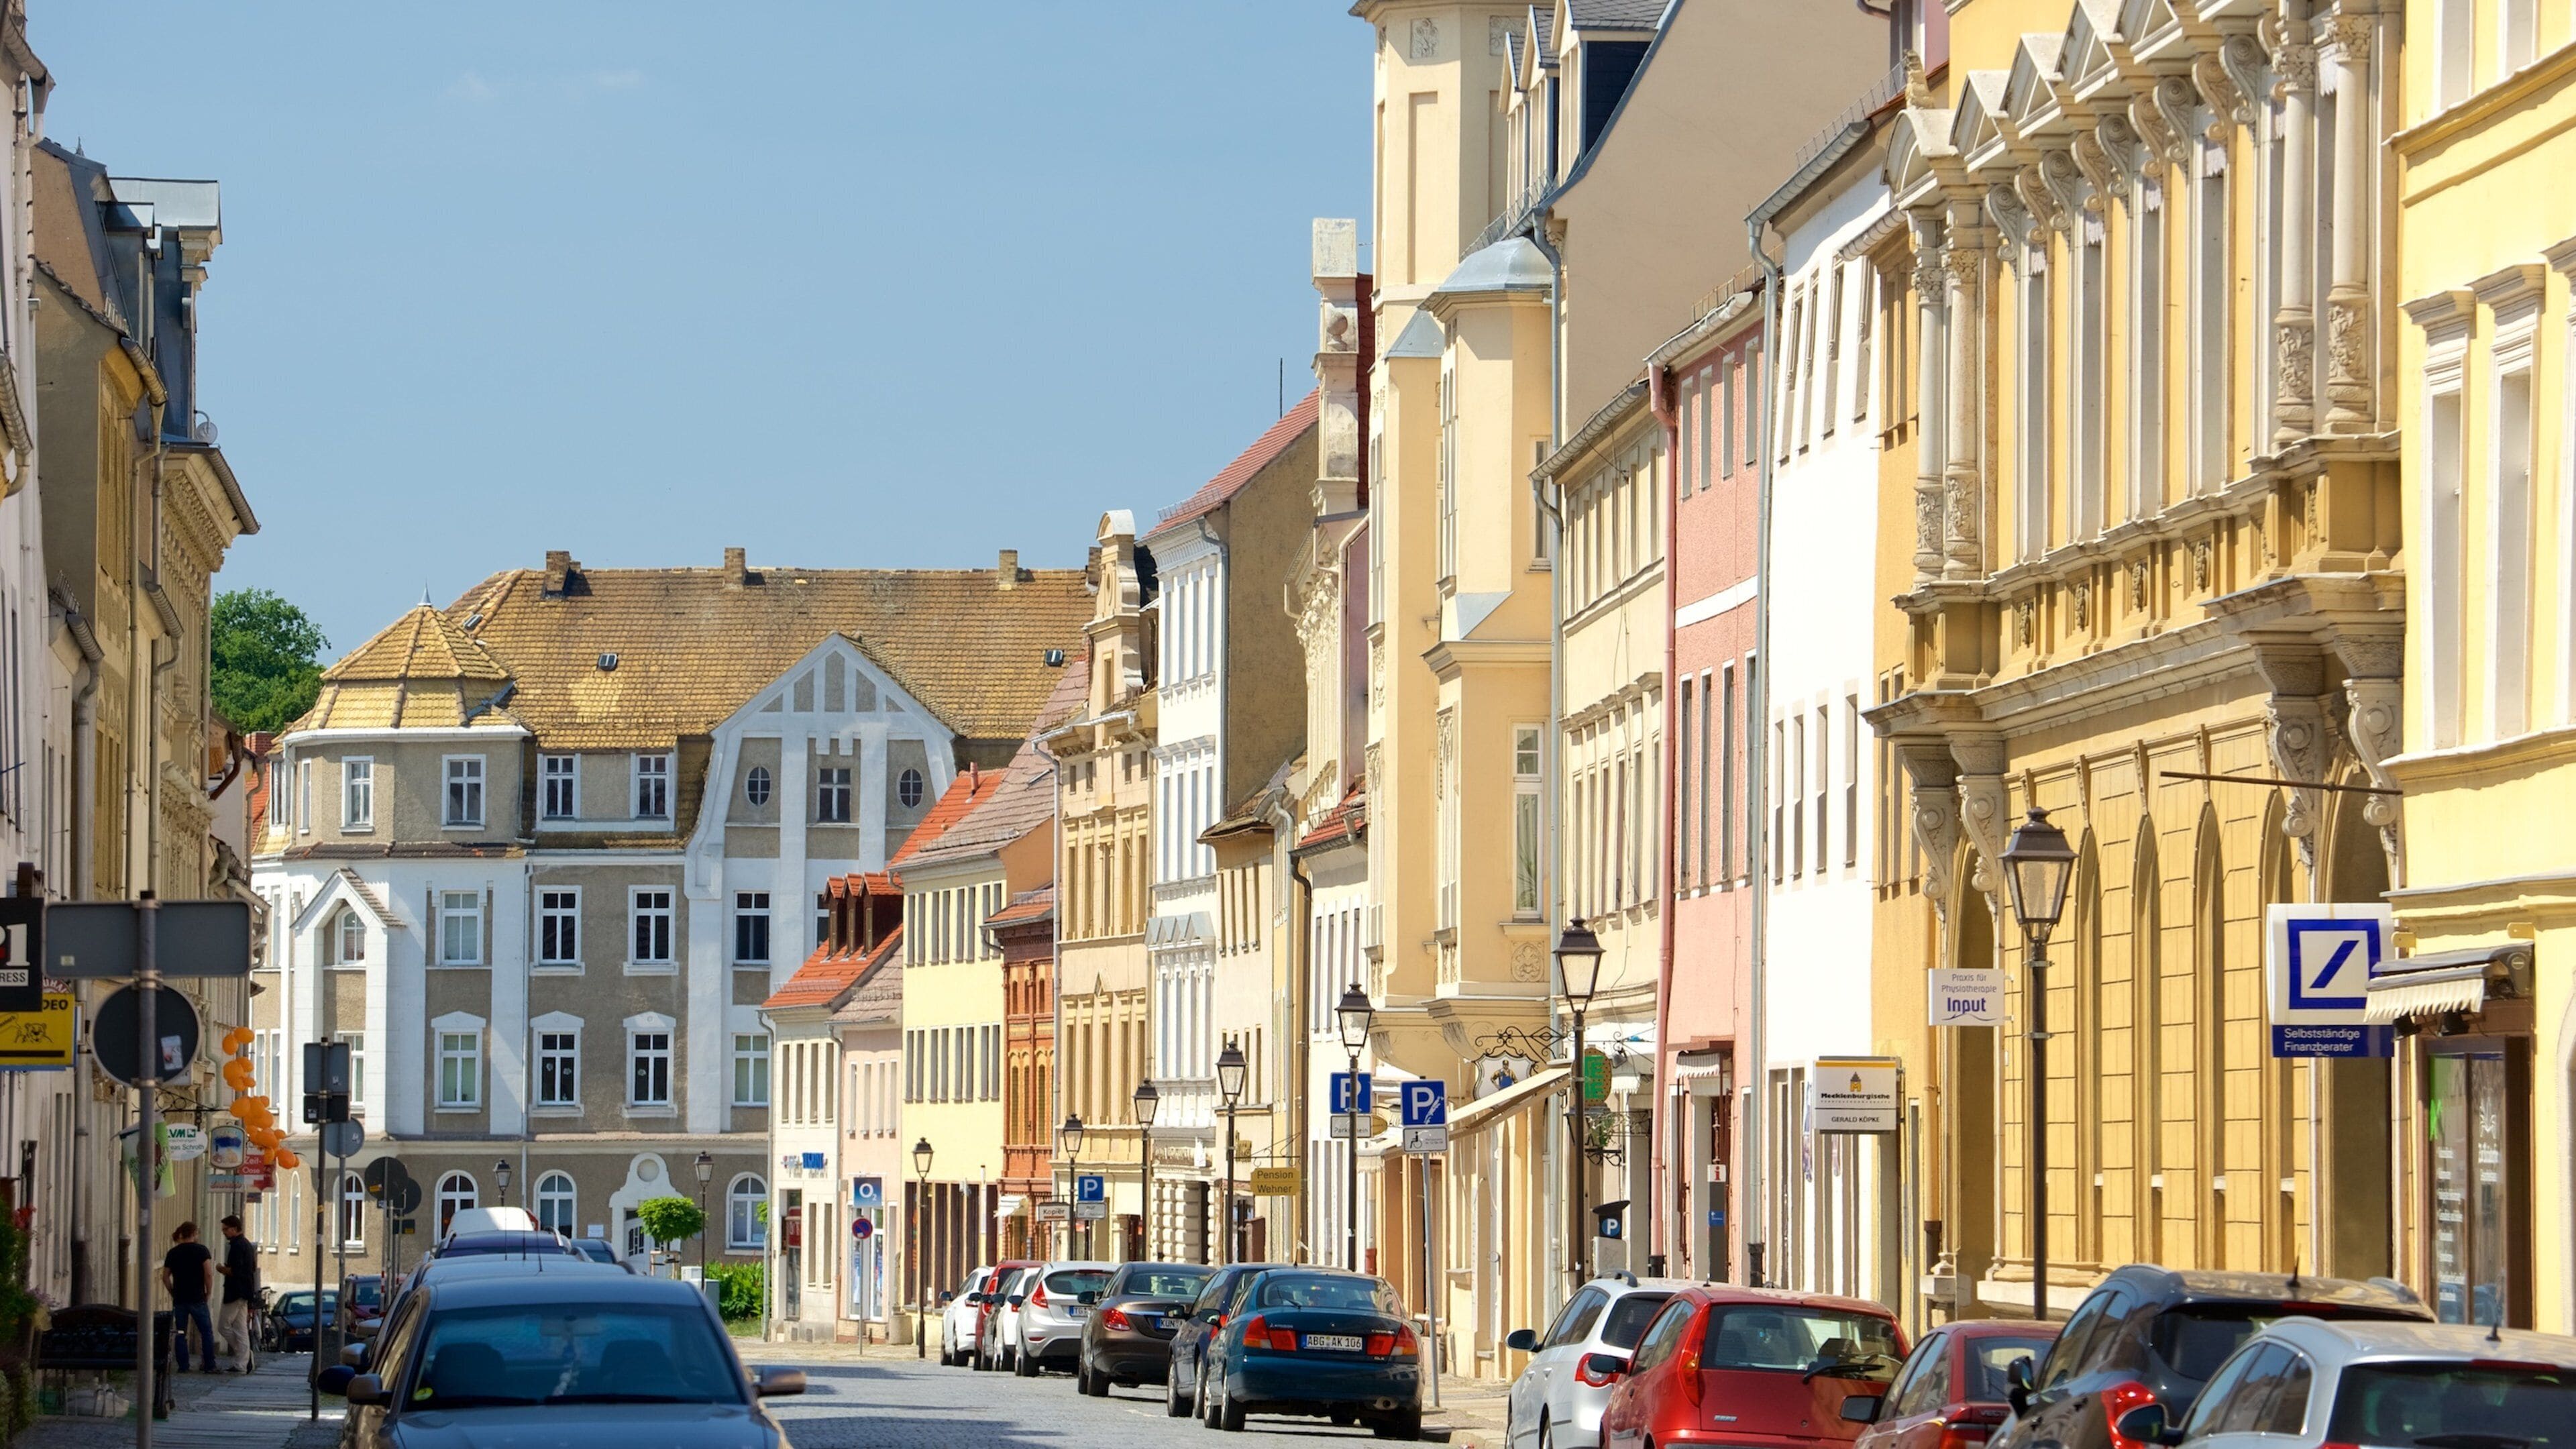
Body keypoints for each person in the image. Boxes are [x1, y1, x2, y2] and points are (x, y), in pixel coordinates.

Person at [159, 1222, 217, 1373]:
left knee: (180, 1332)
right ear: (194, 1234)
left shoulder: (173, 1253)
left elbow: (165, 1277)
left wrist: (173, 1292)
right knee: (206, 1332)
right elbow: (209, 1274)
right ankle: (209, 1365)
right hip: (198, 1297)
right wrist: (208, 1292)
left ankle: (183, 1366)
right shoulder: (202, 1251)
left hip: (180, 1299)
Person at [215, 1215, 259, 1373]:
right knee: (240, 1328)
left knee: (223, 1326)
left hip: (235, 1291)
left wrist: (221, 1269)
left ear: (234, 1228)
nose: (224, 1232)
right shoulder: (246, 1245)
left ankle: (244, 1355)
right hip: (245, 1291)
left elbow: (237, 1271)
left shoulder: (237, 1246)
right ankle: (242, 1362)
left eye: (226, 1229)